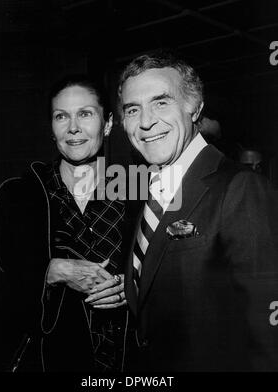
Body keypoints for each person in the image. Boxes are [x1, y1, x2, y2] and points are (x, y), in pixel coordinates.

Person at [104, 51, 278, 371]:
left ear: (194, 106)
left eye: (161, 102)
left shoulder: (240, 188)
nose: (145, 122)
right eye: (132, 109)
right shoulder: (146, 190)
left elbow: (267, 332)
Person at [0, 75, 129, 372]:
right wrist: (49, 271)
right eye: (62, 116)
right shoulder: (17, 193)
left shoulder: (137, 191)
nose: (73, 127)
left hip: (123, 360)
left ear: (108, 123)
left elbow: (172, 276)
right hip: (46, 359)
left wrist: (134, 288)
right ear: (52, 127)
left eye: (85, 114)